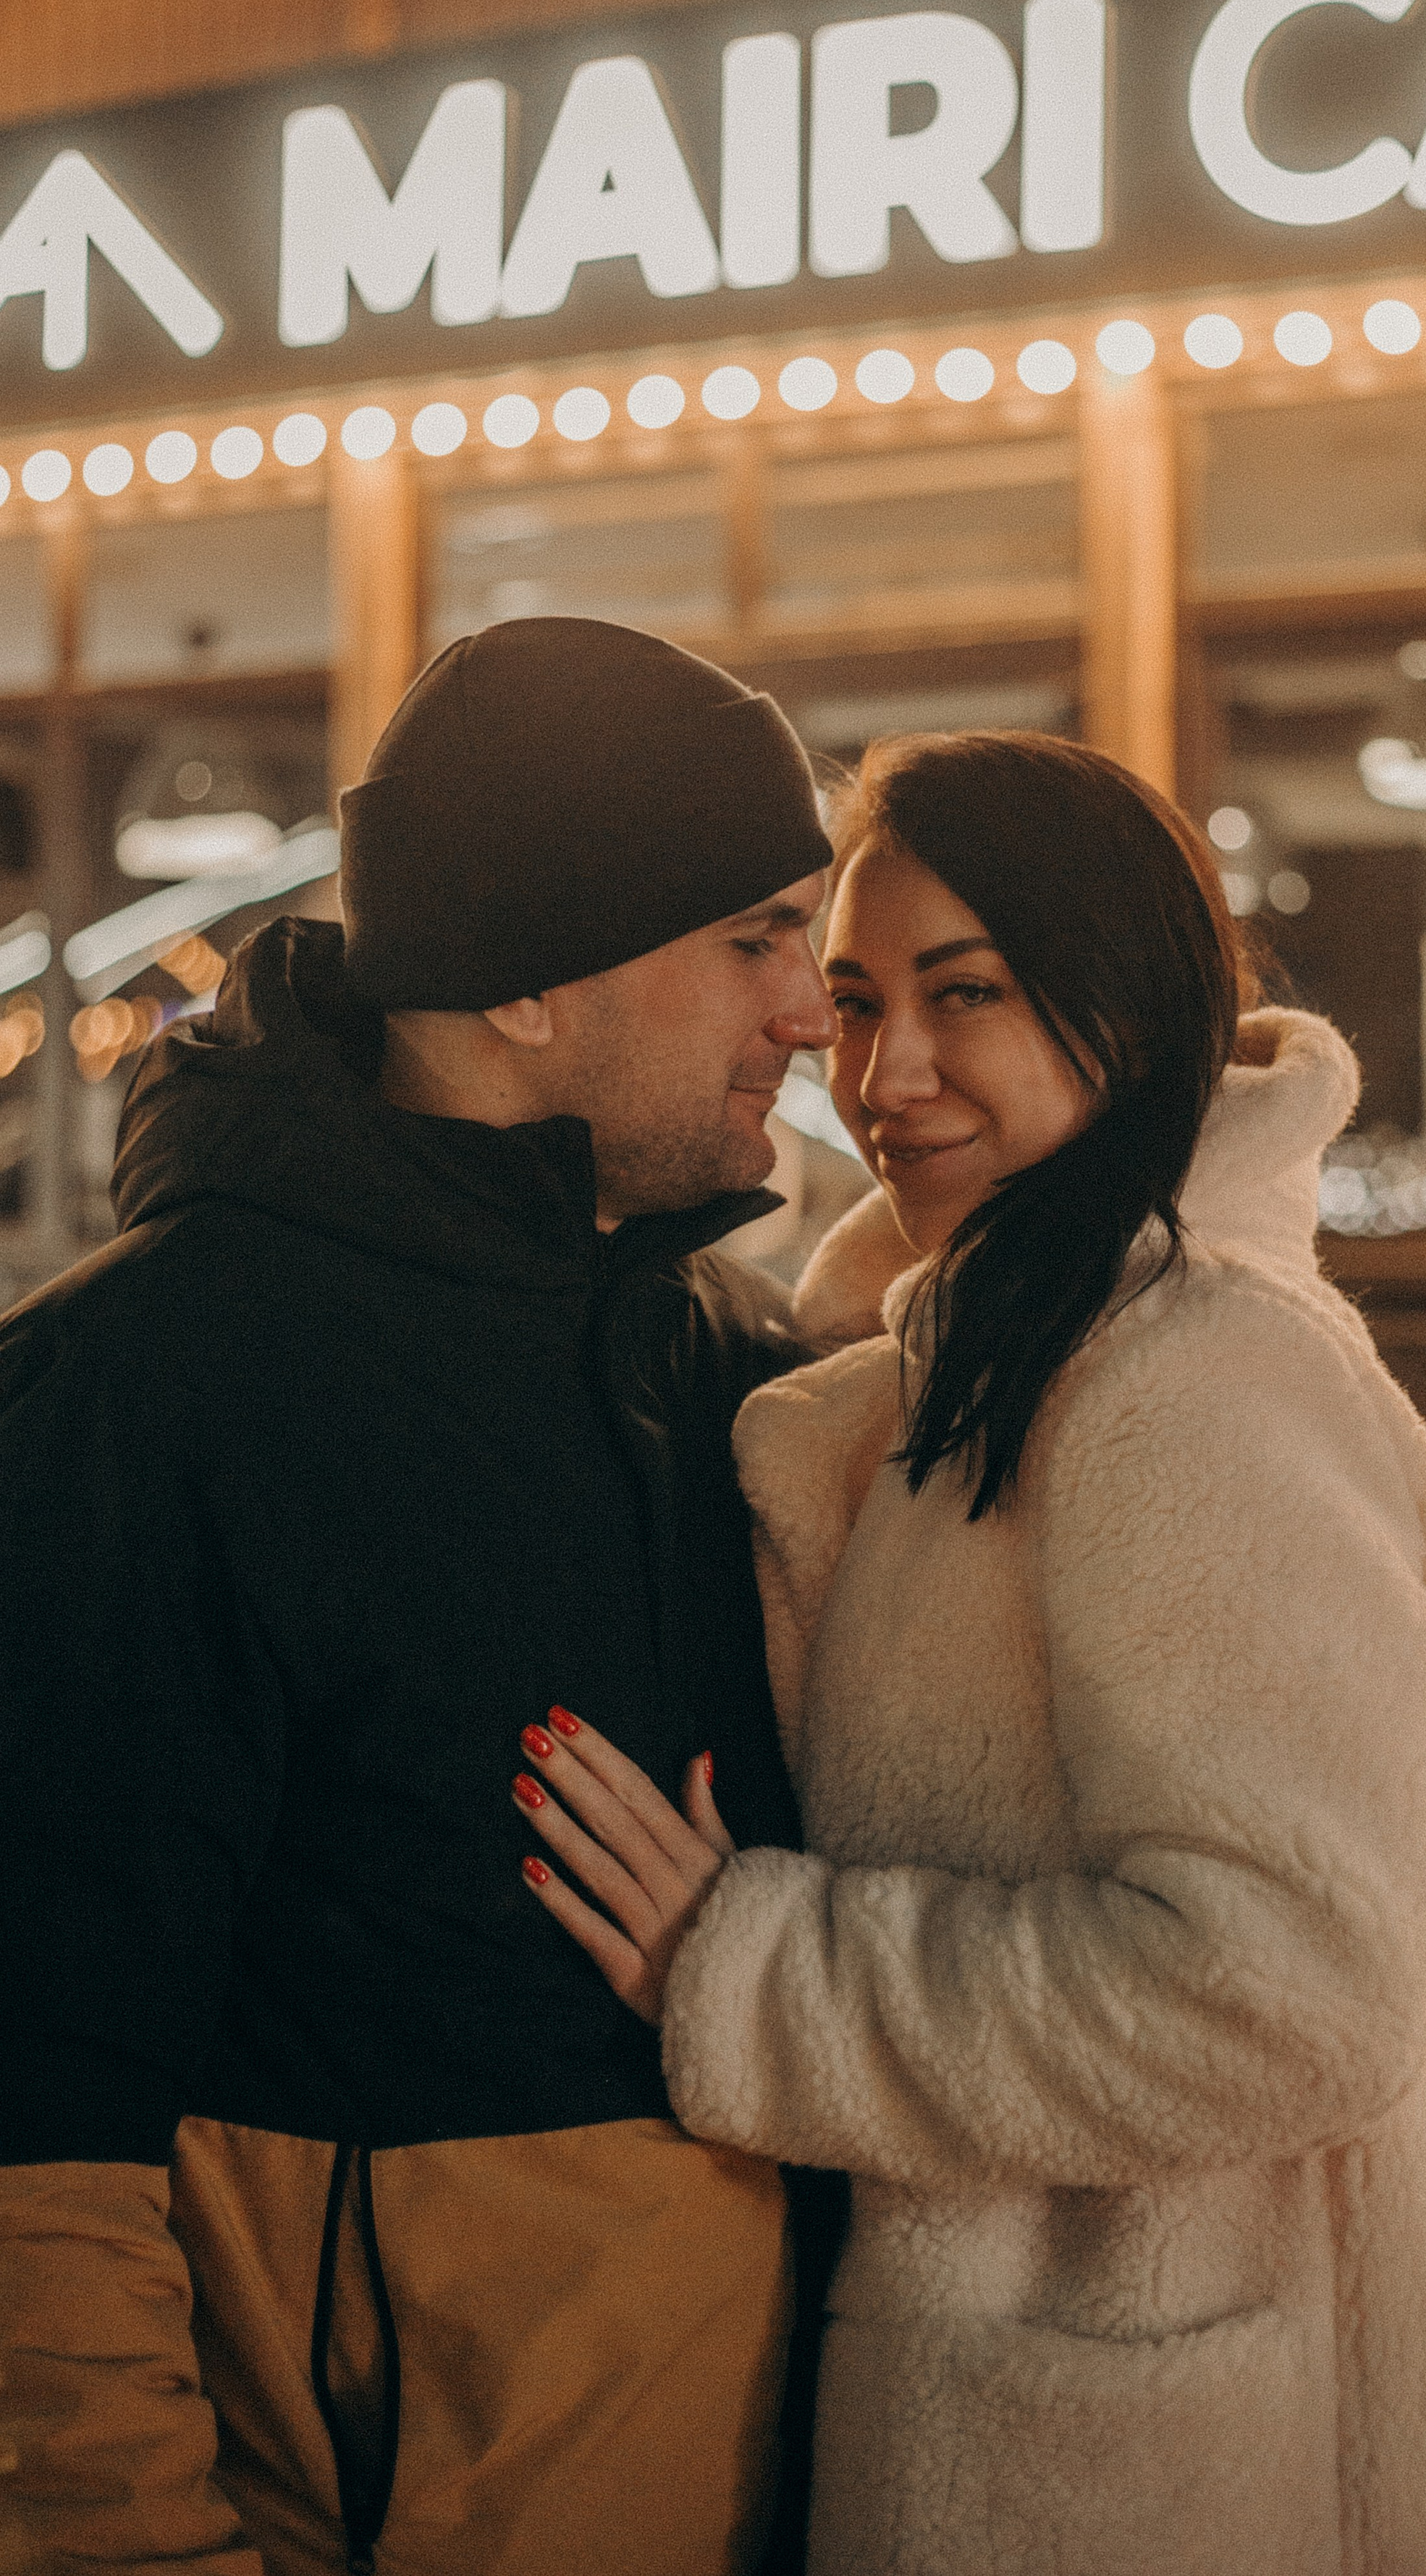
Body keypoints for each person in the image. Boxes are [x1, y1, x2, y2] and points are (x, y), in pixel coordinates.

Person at [505, 732, 1426, 2575]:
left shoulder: (1191, 1374)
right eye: (851, 1001)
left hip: (1198, 2469)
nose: (883, 1071)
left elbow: (1289, 1986)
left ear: (1125, 1008)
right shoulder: (973, 1359)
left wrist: (754, 1968)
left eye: (966, 994)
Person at [0, 618, 843, 2576]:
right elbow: (39, 2086)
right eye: (753, 941)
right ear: (534, 975)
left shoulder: (748, 1370)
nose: (812, 1014)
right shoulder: (146, 1394)